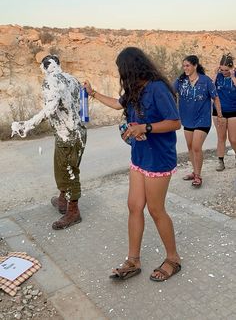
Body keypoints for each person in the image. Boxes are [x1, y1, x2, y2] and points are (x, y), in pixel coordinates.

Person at [84, 46, 182, 282]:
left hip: (159, 158)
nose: (121, 75)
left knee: (156, 210)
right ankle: (133, 260)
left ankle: (173, 259)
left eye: (122, 70)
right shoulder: (134, 90)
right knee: (134, 206)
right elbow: (118, 105)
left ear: (131, 68)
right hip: (139, 157)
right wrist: (93, 93)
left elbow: (175, 122)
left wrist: (145, 127)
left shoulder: (157, 88)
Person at [11, 55, 87, 230]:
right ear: (58, 64)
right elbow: (80, 106)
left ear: (44, 68)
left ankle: (73, 211)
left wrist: (27, 125)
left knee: (69, 173)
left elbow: (50, 108)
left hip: (67, 136)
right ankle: (62, 201)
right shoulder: (72, 79)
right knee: (63, 169)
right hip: (78, 133)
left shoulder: (50, 81)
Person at [173, 55, 223, 188]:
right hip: (187, 119)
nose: (185, 68)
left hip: (202, 120)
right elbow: (169, 92)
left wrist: (220, 115)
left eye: (188, 65)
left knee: (196, 146)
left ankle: (198, 176)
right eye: (184, 66)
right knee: (190, 147)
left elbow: (216, 98)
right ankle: (194, 172)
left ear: (195, 65)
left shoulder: (206, 81)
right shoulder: (181, 81)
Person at [212, 54, 236, 171]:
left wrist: (232, 77)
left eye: (226, 70)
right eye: (222, 69)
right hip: (218, 111)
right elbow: (211, 89)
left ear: (231, 68)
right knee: (221, 137)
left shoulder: (234, 75)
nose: (224, 72)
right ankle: (220, 161)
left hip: (233, 111)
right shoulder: (218, 75)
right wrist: (216, 74)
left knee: (233, 139)